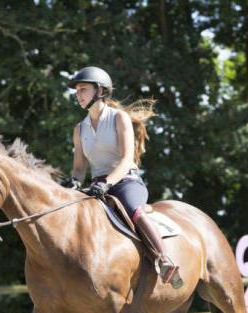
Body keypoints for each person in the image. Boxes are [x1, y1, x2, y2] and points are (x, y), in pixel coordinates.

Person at [62, 66, 181, 287]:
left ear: (99, 91)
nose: (78, 95)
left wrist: (108, 183)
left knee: (133, 209)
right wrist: (75, 181)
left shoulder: (119, 118)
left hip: (126, 181)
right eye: (76, 90)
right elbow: (79, 166)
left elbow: (127, 159)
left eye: (83, 89)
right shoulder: (79, 129)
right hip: (97, 186)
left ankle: (165, 259)